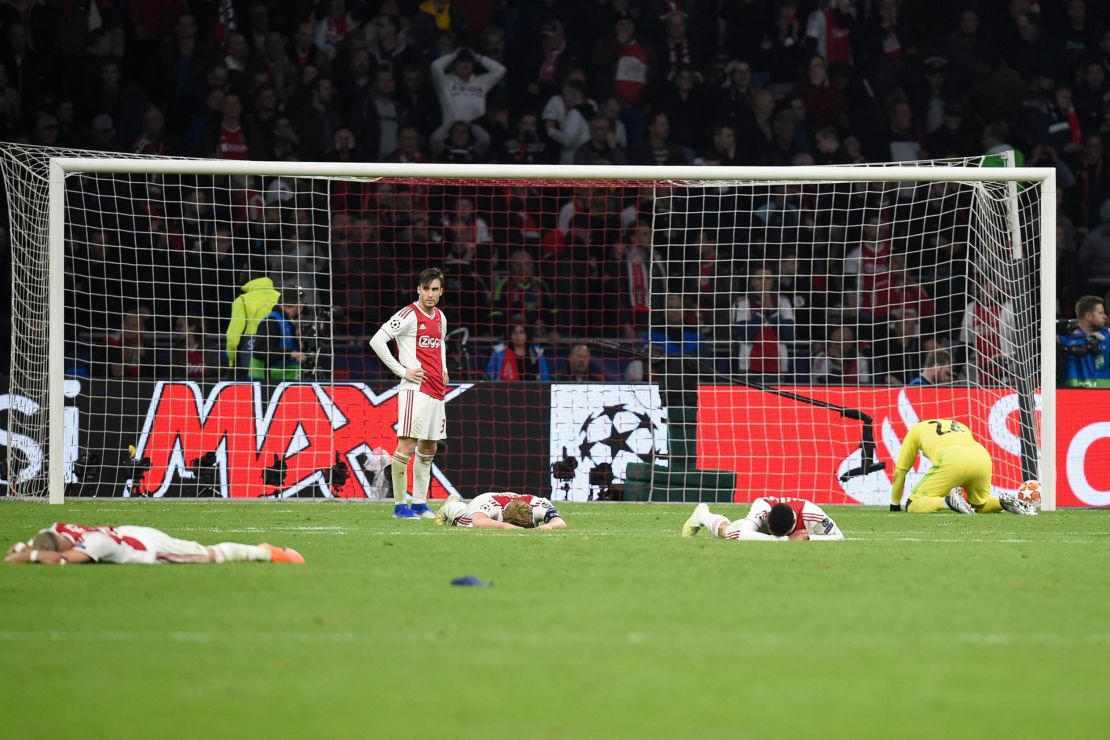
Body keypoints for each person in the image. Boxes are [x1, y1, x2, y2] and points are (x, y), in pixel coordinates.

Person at [369, 268, 449, 520]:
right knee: (407, 445)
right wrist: (402, 371)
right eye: (426, 288)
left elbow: (441, 344)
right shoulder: (408, 315)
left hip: (437, 390)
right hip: (415, 390)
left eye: (435, 289)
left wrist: (445, 369)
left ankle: (420, 504)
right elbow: (377, 341)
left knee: (429, 448)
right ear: (418, 289)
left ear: (440, 292)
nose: (430, 294)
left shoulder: (440, 317)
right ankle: (399, 506)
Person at [889, 419, 1037, 515]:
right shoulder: (960, 425)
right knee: (980, 504)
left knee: (912, 504)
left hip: (952, 458)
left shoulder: (916, 429)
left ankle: (947, 502)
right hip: (982, 456)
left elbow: (900, 472)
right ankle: (1002, 503)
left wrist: (895, 505)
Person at [5, 522, 303, 565]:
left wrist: (26, 555)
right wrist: (28, 548)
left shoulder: (96, 543)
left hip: (147, 545)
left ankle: (266, 552)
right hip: (131, 530)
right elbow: (46, 541)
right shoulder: (59, 528)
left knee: (207, 555)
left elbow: (66, 560)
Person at [680, 498, 844, 541]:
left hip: (788, 531)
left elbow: (839, 537)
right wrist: (787, 540)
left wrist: (810, 538)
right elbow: (745, 535)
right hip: (758, 527)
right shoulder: (762, 507)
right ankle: (701, 515)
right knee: (728, 533)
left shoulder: (814, 514)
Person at [250, 284, 307, 383]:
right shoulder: (272, 321)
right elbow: (260, 350)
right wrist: (291, 354)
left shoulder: (286, 322)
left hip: (281, 385)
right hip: (267, 384)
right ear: (300, 304)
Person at [225, 276, 281, 375]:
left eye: (245, 269)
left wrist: (232, 361)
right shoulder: (280, 297)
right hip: (277, 357)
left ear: (251, 273)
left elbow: (233, 337)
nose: (242, 274)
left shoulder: (243, 300)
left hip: (247, 356)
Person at [435, 492, 566, 530]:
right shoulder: (491, 506)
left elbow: (560, 523)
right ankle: (451, 504)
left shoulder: (539, 504)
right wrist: (505, 525)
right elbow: (478, 521)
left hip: (506, 499)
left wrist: (548, 526)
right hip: (483, 499)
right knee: (464, 522)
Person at [1059, 295, 1110, 387]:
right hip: (1071, 397)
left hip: (1104, 397)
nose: (1105, 316)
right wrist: (1067, 349)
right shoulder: (1065, 339)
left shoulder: (1108, 335)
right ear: (1089, 316)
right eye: (1101, 313)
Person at [485, 323, 551, 381]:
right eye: (514, 333)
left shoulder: (537, 353)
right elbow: (490, 375)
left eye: (521, 332)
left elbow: (544, 378)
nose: (518, 335)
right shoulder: (500, 353)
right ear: (510, 335)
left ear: (526, 335)